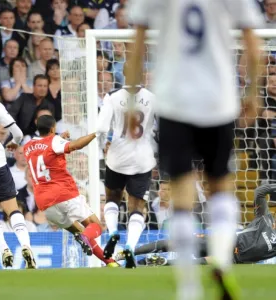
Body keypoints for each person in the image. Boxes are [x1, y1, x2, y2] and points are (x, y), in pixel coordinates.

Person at [128, 0, 263, 299]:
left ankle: (189, 287)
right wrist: (253, 93)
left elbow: (136, 47)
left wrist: (131, 102)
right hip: (218, 101)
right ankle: (222, 263)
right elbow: (254, 46)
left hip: (174, 102)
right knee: (221, 188)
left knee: (182, 197)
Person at [23, 115, 119, 267]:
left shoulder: (27, 146)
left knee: (80, 233)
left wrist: (60, 138)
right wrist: (96, 134)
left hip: (45, 204)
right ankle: (86, 238)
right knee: (95, 227)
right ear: (53, 128)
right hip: (64, 194)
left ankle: (111, 263)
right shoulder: (54, 141)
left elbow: (45, 149)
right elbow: (75, 145)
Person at [121, 184, 276, 266]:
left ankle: (153, 262)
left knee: (195, 263)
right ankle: (130, 251)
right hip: (226, 242)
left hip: (234, 260)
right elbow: (260, 191)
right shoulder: (265, 218)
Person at [97, 62, 156, 268]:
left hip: (118, 156)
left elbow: (102, 127)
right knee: (137, 206)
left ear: (122, 73)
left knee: (112, 197)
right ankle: (130, 246)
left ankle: (113, 232)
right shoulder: (151, 97)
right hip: (142, 157)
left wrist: (104, 145)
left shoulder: (112, 96)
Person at [0, 68, 36, 269]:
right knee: (12, 209)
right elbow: (18, 134)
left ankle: (3, 248)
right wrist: (12, 143)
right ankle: (26, 246)